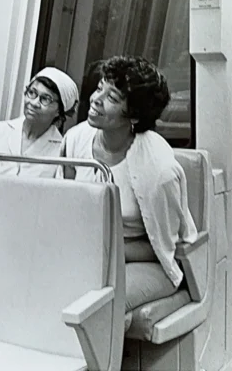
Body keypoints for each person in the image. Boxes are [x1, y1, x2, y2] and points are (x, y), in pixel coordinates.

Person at [57, 56, 198, 312]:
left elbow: (165, 246)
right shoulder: (76, 139)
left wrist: (106, 250)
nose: (96, 99)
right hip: (92, 249)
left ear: (134, 115)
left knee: (99, 307)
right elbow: (65, 202)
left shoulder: (159, 169)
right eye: (99, 88)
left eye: (112, 98)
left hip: (146, 261)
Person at [0, 67, 78, 177]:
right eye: (32, 93)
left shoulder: (60, 150)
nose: (34, 102)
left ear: (58, 111)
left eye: (45, 99)